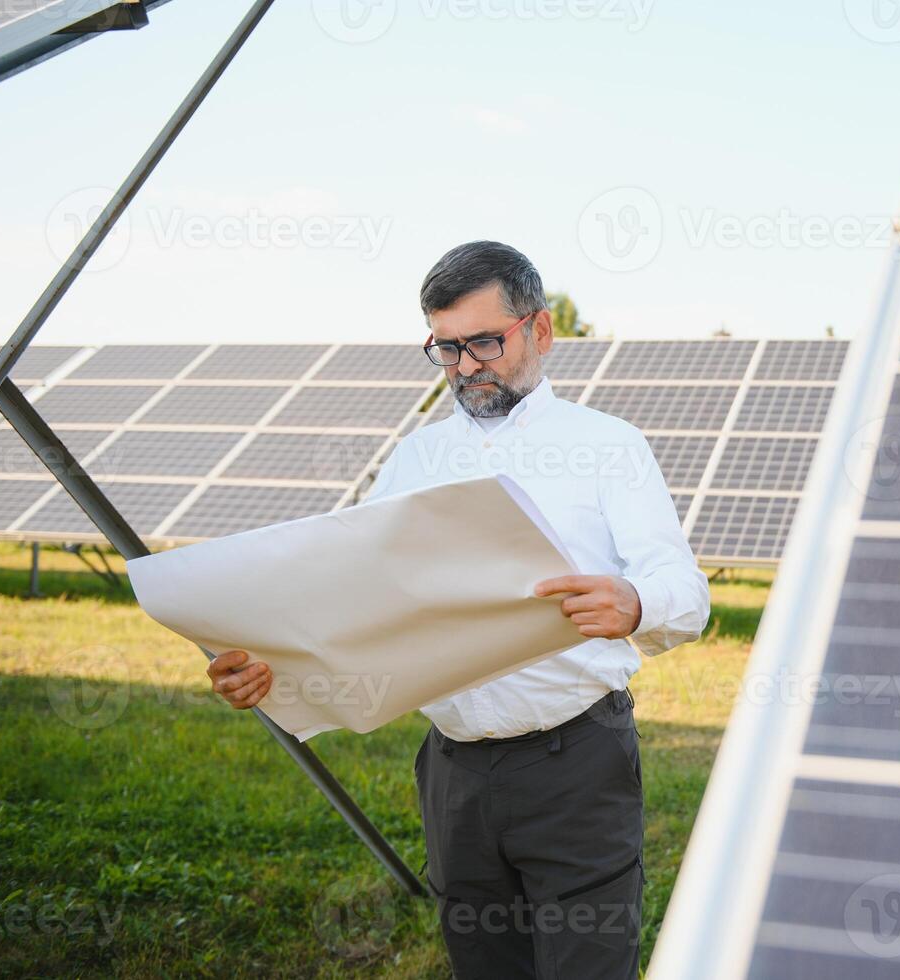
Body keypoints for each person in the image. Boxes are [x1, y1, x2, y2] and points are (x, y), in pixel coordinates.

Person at [205, 240, 710, 979]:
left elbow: (685, 592)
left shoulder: (609, 447)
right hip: (453, 774)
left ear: (539, 332)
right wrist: (268, 669)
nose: (466, 366)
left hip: (577, 763)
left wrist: (636, 602)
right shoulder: (415, 459)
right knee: (483, 963)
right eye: (445, 348)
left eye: (483, 342)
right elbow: (360, 603)